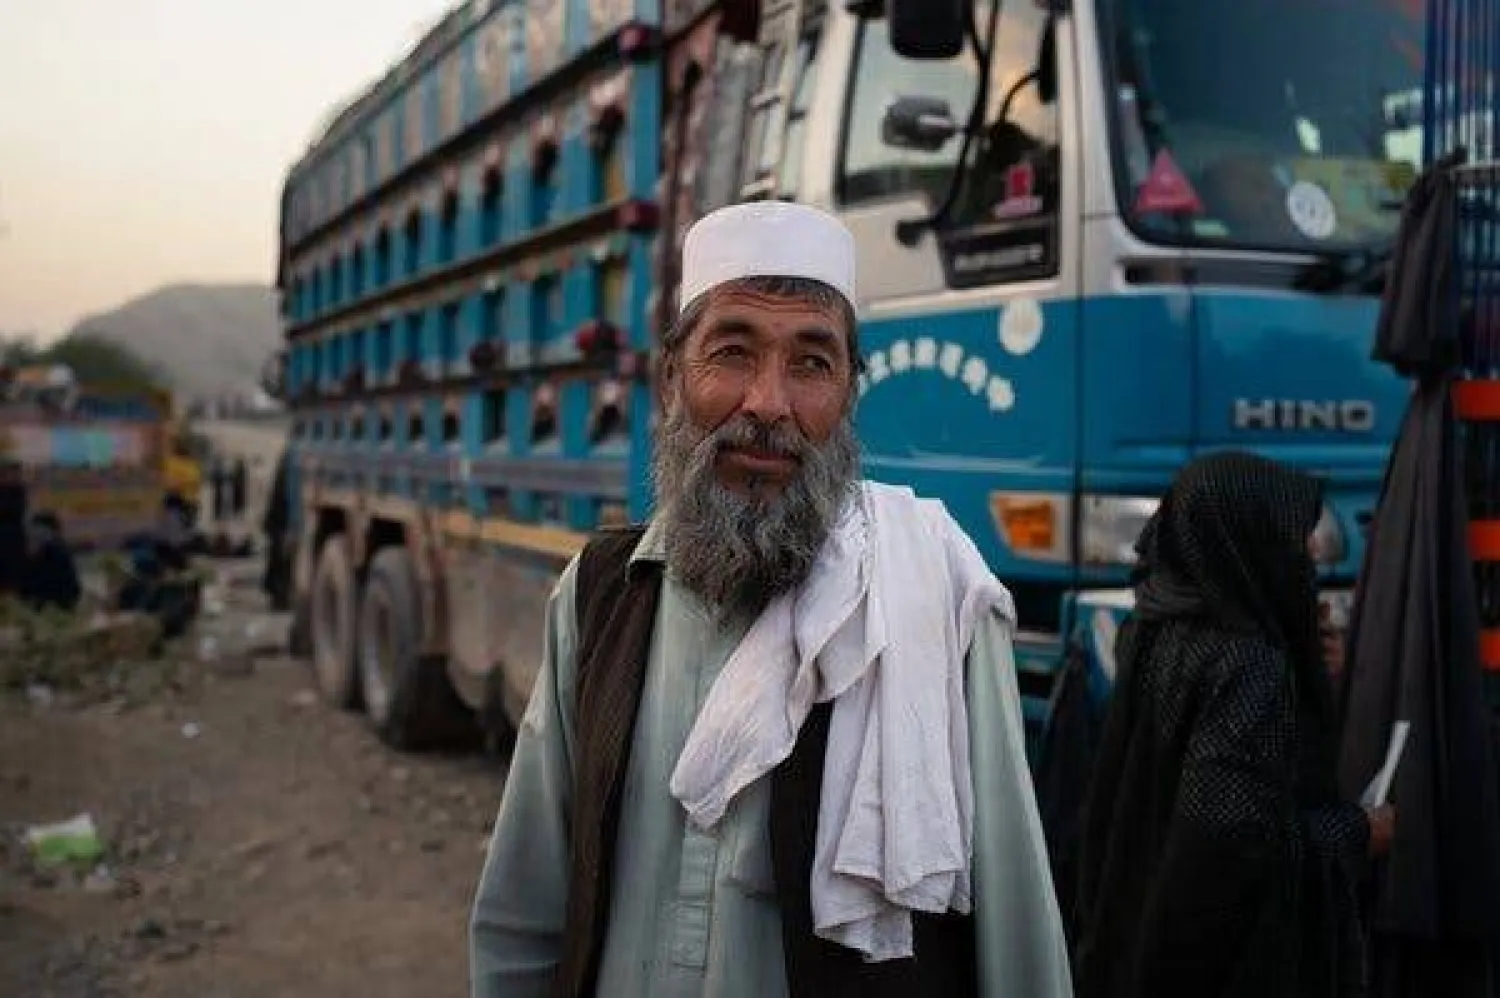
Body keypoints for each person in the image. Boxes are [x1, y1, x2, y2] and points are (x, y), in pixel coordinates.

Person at [469, 201, 1072, 998]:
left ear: (850, 394)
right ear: (674, 376)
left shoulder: (935, 597)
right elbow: (526, 907)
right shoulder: (599, 594)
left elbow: (1016, 933)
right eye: (733, 352)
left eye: (811, 364)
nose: (767, 403)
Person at [1071, 451, 1395, 998]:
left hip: (1127, 946)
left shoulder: (1151, 630)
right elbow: (1232, 843)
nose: (1312, 551)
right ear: (1244, 539)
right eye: (1294, 534)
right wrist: (1360, 832)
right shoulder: (1250, 669)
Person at [19, 511, 81, 613]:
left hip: (53, 609)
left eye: (37, 529)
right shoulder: (55, 550)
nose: (33, 534)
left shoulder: (54, 552)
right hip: (57, 609)